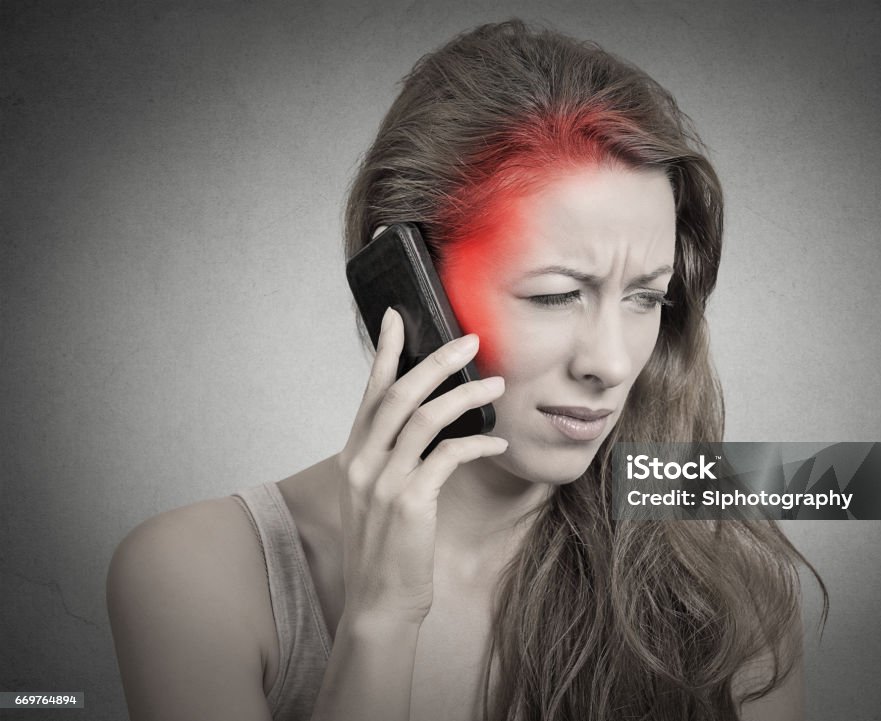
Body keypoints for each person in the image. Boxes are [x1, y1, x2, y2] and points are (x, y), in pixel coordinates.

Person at [107, 19, 822, 721]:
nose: (610, 362)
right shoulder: (194, 577)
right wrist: (382, 617)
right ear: (407, 287)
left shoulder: (725, 591)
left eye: (646, 297)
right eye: (555, 294)